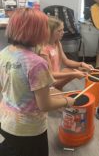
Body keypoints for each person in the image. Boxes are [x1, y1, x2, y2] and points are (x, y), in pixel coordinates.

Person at [0, 8, 75, 156]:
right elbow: (45, 105)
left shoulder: (4, 52)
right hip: (29, 130)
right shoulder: (37, 63)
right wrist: (67, 101)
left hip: (6, 121)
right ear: (37, 31)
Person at [40, 16, 94, 90]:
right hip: (49, 81)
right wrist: (74, 74)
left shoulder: (57, 43)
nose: (63, 33)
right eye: (59, 31)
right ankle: (55, 89)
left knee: (78, 70)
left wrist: (81, 64)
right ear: (49, 32)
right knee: (74, 72)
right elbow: (50, 75)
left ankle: (58, 88)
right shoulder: (44, 50)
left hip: (55, 74)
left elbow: (66, 61)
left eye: (63, 29)